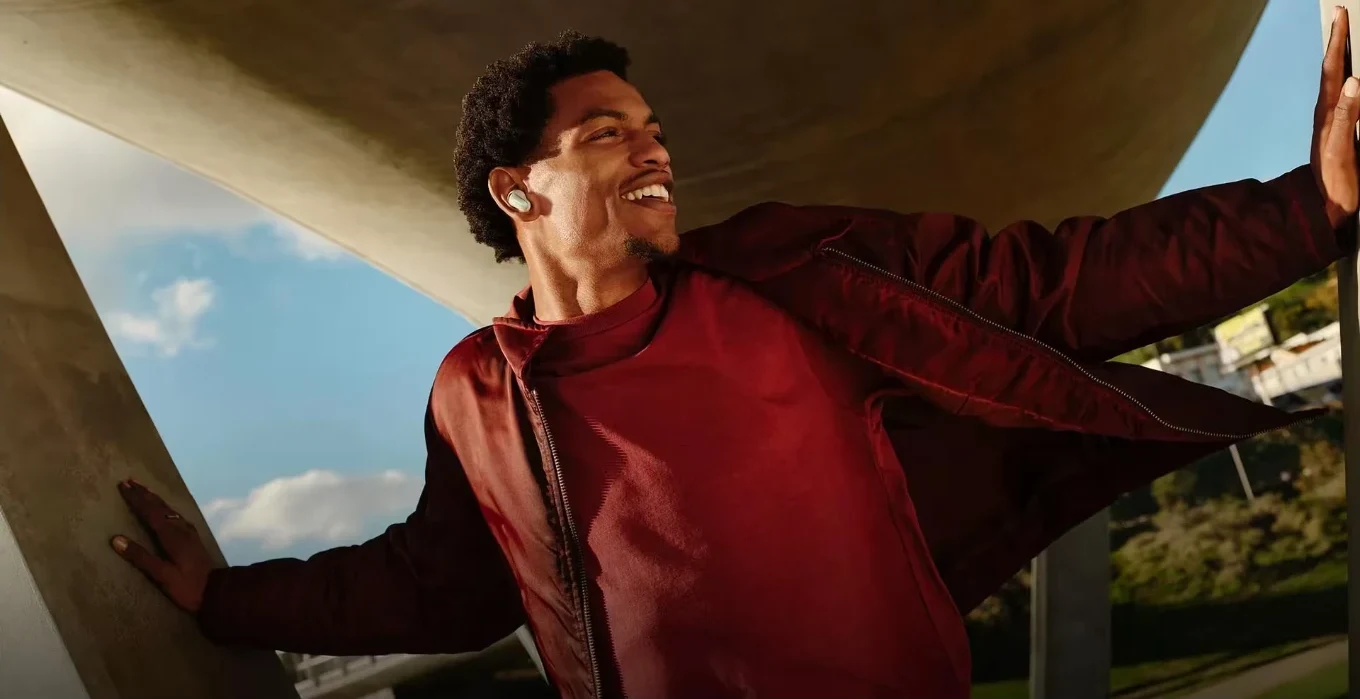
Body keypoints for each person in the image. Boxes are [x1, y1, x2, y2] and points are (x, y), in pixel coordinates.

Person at [110, 12, 1360, 698]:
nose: (655, 148)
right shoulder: (474, 393)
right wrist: (228, 602)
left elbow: (1059, 285)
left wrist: (1313, 208)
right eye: (607, 133)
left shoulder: (789, 278)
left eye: (651, 127)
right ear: (518, 189)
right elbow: (439, 585)